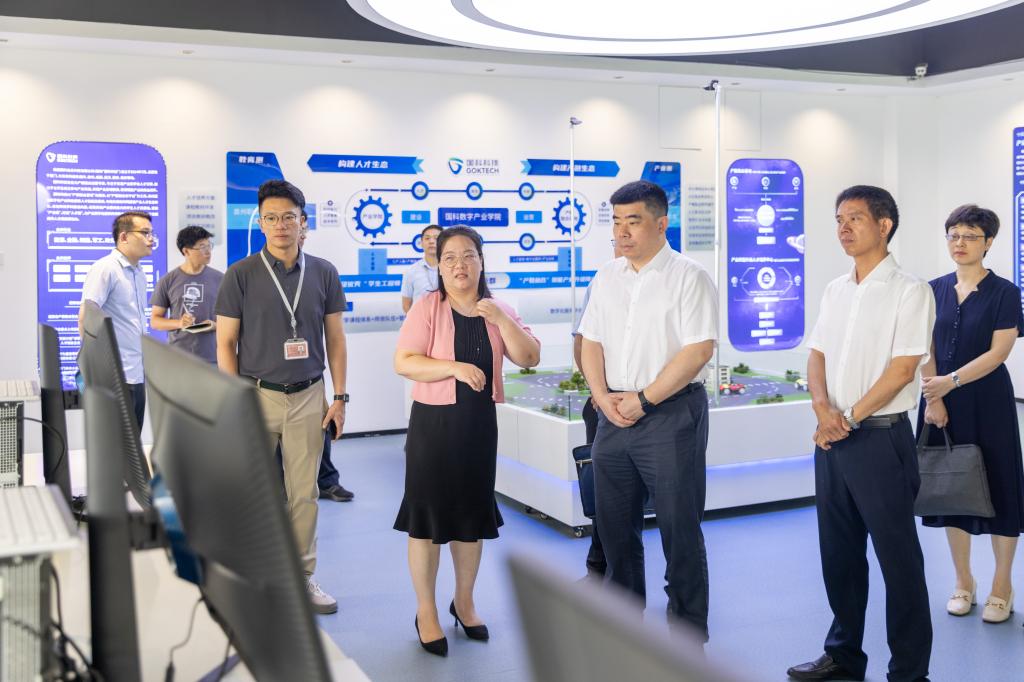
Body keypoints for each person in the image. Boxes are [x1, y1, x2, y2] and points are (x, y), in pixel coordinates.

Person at [788, 185, 934, 682]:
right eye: (838, 219)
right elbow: (817, 355)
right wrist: (822, 410)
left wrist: (845, 418)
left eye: (854, 218)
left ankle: (909, 672)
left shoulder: (910, 291)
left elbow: (903, 369)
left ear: (884, 225)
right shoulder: (836, 289)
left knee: (898, 560)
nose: (843, 228)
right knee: (840, 555)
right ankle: (843, 656)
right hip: (832, 440)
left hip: (880, 439)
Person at [577, 180, 718, 641]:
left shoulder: (689, 276)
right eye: (616, 222)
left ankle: (687, 638)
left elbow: (698, 350)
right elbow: (591, 341)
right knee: (615, 529)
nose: (621, 232)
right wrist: (601, 396)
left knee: (680, 531)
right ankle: (624, 634)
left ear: (660, 224)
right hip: (613, 413)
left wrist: (644, 399)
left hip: (670, 415)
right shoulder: (607, 276)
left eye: (633, 222)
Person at [393, 225, 540, 657]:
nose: (460, 265)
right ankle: (426, 611)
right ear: (439, 266)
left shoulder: (499, 308)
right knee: (426, 520)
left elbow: (529, 357)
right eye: (450, 257)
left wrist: (501, 320)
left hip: (478, 426)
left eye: (468, 255)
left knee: (471, 517)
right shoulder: (427, 307)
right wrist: (453, 368)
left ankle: (465, 602)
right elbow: (404, 361)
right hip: (433, 427)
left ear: (481, 261)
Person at [214, 179, 348, 615]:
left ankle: (301, 576)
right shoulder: (240, 274)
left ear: (303, 222)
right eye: (270, 217)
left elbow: (335, 340)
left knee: (304, 494)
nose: (280, 225)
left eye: (288, 217)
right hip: (256, 394)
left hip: (309, 395)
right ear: (260, 223)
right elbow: (225, 343)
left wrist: (340, 396)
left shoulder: (324, 272)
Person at [917, 204, 1024, 624]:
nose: (960, 243)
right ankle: (964, 581)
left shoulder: (1005, 292)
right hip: (941, 401)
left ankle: (1002, 585)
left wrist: (951, 381)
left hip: (989, 401)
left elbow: (999, 353)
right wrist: (934, 397)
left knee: (1001, 488)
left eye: (970, 236)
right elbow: (924, 347)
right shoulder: (932, 290)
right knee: (952, 488)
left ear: (989, 242)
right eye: (954, 235)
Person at [573, 240, 623, 579]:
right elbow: (582, 341)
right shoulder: (602, 281)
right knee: (604, 490)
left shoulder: (675, 279)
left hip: (652, 404)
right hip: (604, 403)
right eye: (617, 232)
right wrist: (599, 391)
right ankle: (598, 566)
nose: (623, 240)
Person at [79, 211, 156, 429]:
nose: (151, 239)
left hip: (136, 373)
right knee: (114, 443)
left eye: (152, 233)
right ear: (124, 237)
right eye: (145, 233)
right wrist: (97, 369)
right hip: (114, 377)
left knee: (132, 442)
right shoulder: (105, 268)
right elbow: (86, 317)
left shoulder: (139, 272)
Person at [150, 226, 223, 364]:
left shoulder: (220, 279)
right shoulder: (168, 280)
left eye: (209, 245)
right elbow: (155, 321)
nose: (208, 251)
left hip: (212, 359)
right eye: (202, 247)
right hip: (178, 359)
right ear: (186, 251)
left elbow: (232, 320)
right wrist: (179, 323)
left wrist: (215, 325)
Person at [401, 225, 442, 312]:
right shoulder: (411, 271)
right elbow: (406, 305)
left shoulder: (453, 270)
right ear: (422, 243)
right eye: (427, 238)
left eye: (436, 238)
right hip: (420, 319)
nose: (431, 241)